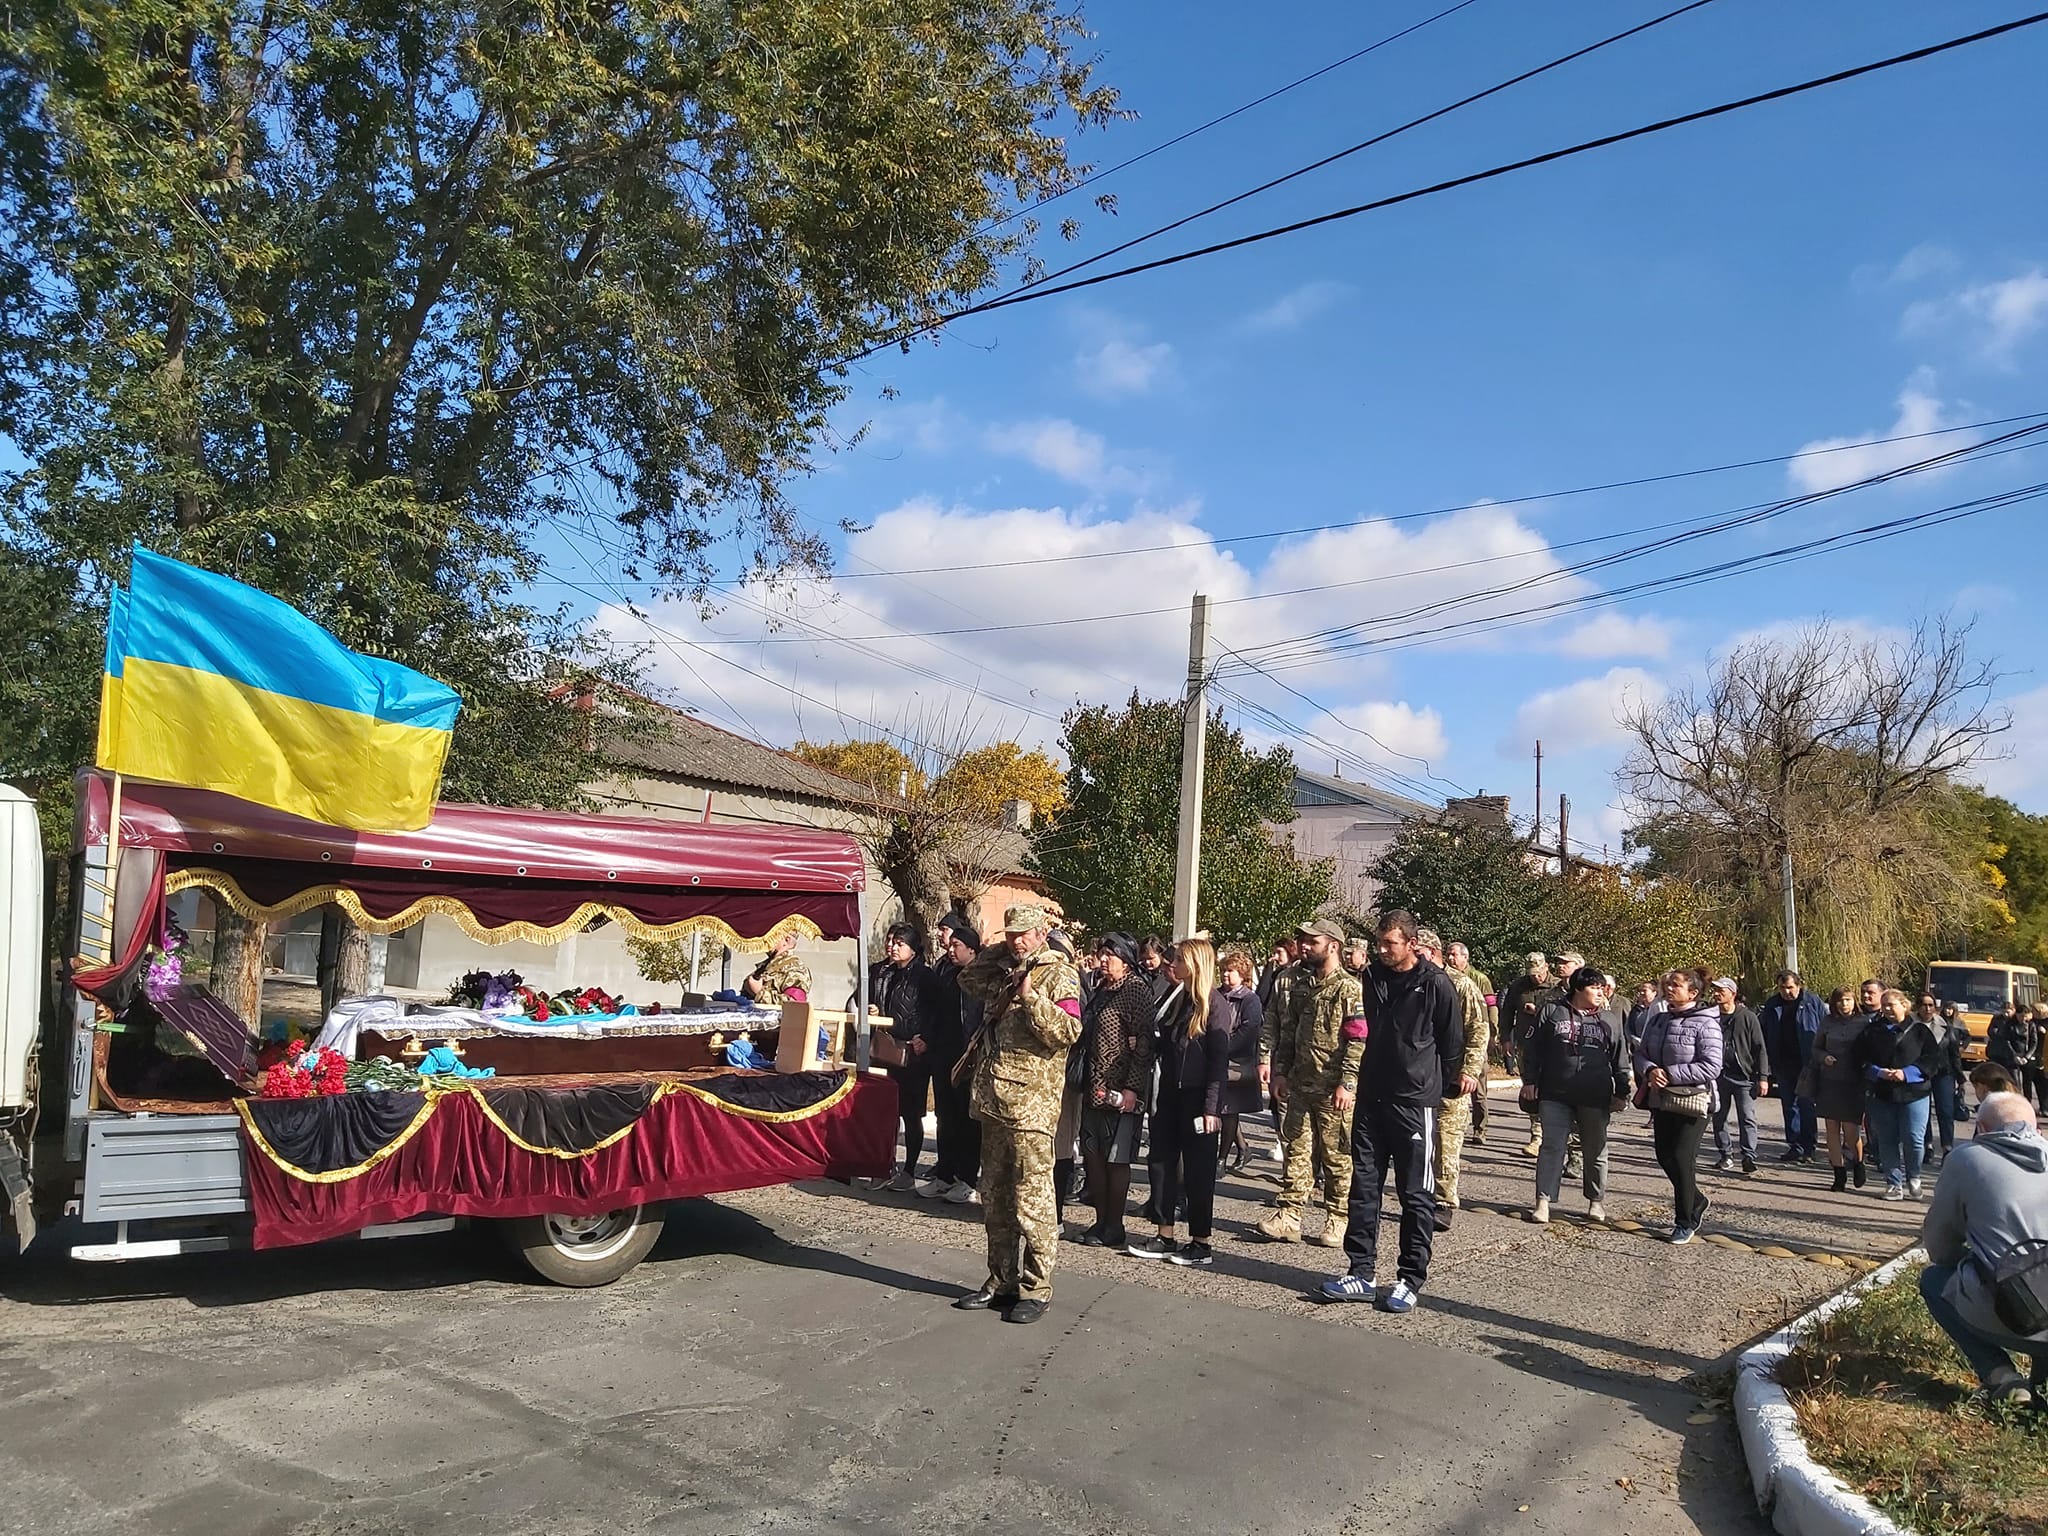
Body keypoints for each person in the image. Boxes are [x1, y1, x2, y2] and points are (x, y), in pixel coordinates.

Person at [1318, 909, 1463, 1313]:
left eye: (1390, 944)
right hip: (1372, 1097)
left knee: (1415, 1194)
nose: (1381, 951)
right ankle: (1361, 1271)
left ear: (1412, 944)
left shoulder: (1436, 984)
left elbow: (1452, 1045)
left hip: (1415, 1102)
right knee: (1364, 1186)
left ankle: (1409, 1278)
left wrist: (1436, 1086)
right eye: (1379, 943)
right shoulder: (1374, 976)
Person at [952, 905, 1082, 1325]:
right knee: (995, 1197)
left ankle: (1036, 1287)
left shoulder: (1058, 973)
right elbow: (967, 979)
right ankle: (1001, 1280)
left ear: (1043, 931)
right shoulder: (1003, 966)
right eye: (1011, 934)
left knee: (1033, 1201)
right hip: (994, 1100)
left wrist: (1031, 999)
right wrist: (995, 951)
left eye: (1024, 933)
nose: (1017, 940)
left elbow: (1069, 1031)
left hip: (1032, 1107)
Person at [1918, 1092, 2048, 1409]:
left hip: (2015, 1313)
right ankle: (2040, 1382)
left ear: (1983, 1128)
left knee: (1936, 1280)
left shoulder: (1967, 1159)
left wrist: (1971, 1259)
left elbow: (1940, 1243)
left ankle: (2002, 1378)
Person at [1255, 918, 1364, 1248]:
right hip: (1301, 1084)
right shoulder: (1301, 986)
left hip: (1333, 1090)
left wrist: (1347, 1082)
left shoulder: (1349, 988)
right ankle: (1289, 1215)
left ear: (1333, 946)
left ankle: (1339, 1218)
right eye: (1302, 940)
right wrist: (1280, 1072)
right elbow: (1289, 1034)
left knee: (1336, 1157)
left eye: (1313, 942)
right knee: (1297, 1152)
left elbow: (1358, 1040)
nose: (1304, 946)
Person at [1128, 939, 1233, 1266]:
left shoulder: (1215, 1005)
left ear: (1196, 964)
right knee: (1161, 1162)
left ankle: (1201, 1242)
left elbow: (1218, 1061)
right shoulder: (1177, 998)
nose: (1172, 964)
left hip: (1199, 1096)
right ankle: (1165, 1233)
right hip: (1169, 1093)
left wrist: (1212, 1107)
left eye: (1180, 960)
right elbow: (1166, 1041)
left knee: (1199, 1171)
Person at [1523, 963, 1632, 1224]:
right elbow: (1533, 1049)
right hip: (1555, 1093)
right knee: (1552, 1147)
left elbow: (1621, 1059)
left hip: (1595, 1095)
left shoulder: (1609, 1019)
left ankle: (1596, 1202)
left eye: (1602, 987)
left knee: (1595, 1151)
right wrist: (1529, 1081)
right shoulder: (1553, 1011)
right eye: (1595, 987)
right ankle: (1543, 1202)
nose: (1601, 992)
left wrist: (1623, 1092)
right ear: (1579, 988)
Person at [1072, 932, 1153, 1250]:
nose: (1103, 960)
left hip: (1120, 1090)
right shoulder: (1101, 989)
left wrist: (1132, 1089)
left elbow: (1143, 1046)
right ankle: (1101, 1220)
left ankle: (1114, 1225)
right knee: (1093, 1156)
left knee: (1115, 1160)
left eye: (1111, 955)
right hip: (1094, 1087)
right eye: (1101, 954)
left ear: (1127, 960)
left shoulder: (1136, 991)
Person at [1635, 967, 1723, 1245]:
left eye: (1676, 985)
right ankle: (1696, 1199)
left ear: (1693, 993)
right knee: (1665, 1156)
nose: (1669, 988)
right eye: (1668, 984)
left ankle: (1685, 1220)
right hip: (1662, 1099)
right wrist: (1650, 1070)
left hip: (1693, 1102)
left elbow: (1712, 1066)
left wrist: (1672, 1073)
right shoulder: (1659, 1019)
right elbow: (1641, 1053)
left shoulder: (1706, 1022)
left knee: (1683, 1158)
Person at [1417, 927, 1487, 1231]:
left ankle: (1444, 1202)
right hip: (1419, 1076)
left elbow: (1478, 1029)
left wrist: (1470, 1071)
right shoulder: (1411, 983)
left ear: (1433, 953)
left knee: (1446, 1141)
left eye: (1418, 951)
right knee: (1420, 1142)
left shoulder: (1461, 985)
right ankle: (1420, 1197)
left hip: (1451, 1077)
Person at [920, 914, 983, 1203]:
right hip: (943, 1054)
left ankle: (967, 1178)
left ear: (972, 949)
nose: (951, 949)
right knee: (946, 1116)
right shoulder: (944, 971)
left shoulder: (981, 976)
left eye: (958, 945)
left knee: (968, 1120)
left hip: (970, 1057)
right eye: (951, 944)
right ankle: (944, 1174)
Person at [1856, 987, 1937, 1201]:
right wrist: (1878, 1072)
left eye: (1891, 1005)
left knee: (1913, 1138)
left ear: (1904, 1005)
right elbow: (1859, 1059)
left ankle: (1915, 1177)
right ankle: (1893, 1183)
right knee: (1887, 1139)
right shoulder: (1872, 1031)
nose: (1887, 1009)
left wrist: (1907, 1073)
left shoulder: (1920, 1031)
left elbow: (1932, 1059)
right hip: (1882, 1093)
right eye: (1884, 1006)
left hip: (1915, 1093)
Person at [869, 923, 933, 1192]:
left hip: (912, 1052)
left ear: (913, 948)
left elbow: (933, 1012)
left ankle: (909, 1170)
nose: (893, 947)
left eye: (900, 943)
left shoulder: (925, 977)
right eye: (891, 941)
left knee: (911, 1113)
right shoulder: (884, 972)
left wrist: (925, 1036)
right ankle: (885, 1166)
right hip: (885, 1047)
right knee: (886, 1111)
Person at [1757, 970, 1823, 1163]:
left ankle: (1809, 1147)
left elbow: (1822, 1028)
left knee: (1806, 1105)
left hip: (1806, 1062)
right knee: (1789, 1106)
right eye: (1783, 988)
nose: (1787, 992)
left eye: (1790, 987)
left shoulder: (1812, 1002)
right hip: (1783, 1063)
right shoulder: (1772, 1005)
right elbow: (1765, 1032)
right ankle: (1795, 1146)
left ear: (1799, 985)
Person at [1811, 987, 1870, 1191]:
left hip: (1853, 1081)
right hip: (1830, 1079)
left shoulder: (1864, 1022)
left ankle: (1859, 1162)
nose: (1844, 1004)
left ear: (1854, 1001)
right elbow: (1816, 1047)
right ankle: (1839, 1173)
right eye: (1840, 1001)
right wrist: (1823, 1057)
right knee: (1832, 1129)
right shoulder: (1828, 1021)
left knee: (1851, 1130)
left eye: (1848, 1000)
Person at [1709, 977, 1768, 1176]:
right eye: (1715, 990)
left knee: (1747, 1117)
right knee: (1718, 1117)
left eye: (1721, 991)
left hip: (1743, 1076)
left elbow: (1760, 1048)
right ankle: (1725, 1155)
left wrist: (1763, 1077)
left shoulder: (1747, 1017)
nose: (1716, 994)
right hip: (1718, 1075)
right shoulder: (1710, 1015)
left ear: (1732, 994)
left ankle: (1748, 1156)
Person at [1217, 948, 1264, 1171]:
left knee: (1228, 1109)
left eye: (1231, 971)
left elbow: (1249, 1030)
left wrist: (1223, 1046)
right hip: (1214, 1060)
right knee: (1219, 1109)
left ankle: (1222, 1157)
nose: (1226, 975)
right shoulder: (1215, 995)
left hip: (1236, 1062)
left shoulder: (1249, 1000)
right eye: (1224, 970)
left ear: (1242, 973)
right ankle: (1243, 1148)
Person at [1447, 941, 1495, 1145]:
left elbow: (1491, 1008)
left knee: (1478, 1088)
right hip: (1455, 1043)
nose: (1450, 958)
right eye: (1448, 954)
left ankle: (1480, 1128)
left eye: (1454, 955)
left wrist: (1493, 1035)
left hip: (1477, 1038)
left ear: (1465, 958)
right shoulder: (1444, 977)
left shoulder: (1478, 979)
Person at [1919, 991, 1965, 1165]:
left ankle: (1947, 1147)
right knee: (1923, 1113)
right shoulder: (1912, 1026)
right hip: (1921, 1073)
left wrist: (1961, 1078)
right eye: (1924, 1005)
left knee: (1945, 1111)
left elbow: (1954, 1055)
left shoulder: (1945, 1027)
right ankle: (1927, 1146)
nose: (1928, 1008)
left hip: (1944, 1073)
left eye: (1931, 1005)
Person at [741, 929, 811, 1006]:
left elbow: (795, 1005)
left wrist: (759, 993)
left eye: (771, 936)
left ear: (786, 940)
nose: (765, 940)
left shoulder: (795, 969)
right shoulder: (766, 966)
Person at [1624, 980, 1663, 1056]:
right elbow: (1628, 1028)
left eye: (1644, 990)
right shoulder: (1636, 1010)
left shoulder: (1659, 1010)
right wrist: (1633, 1040)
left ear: (1654, 992)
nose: (1641, 993)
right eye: (1640, 990)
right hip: (1637, 1051)